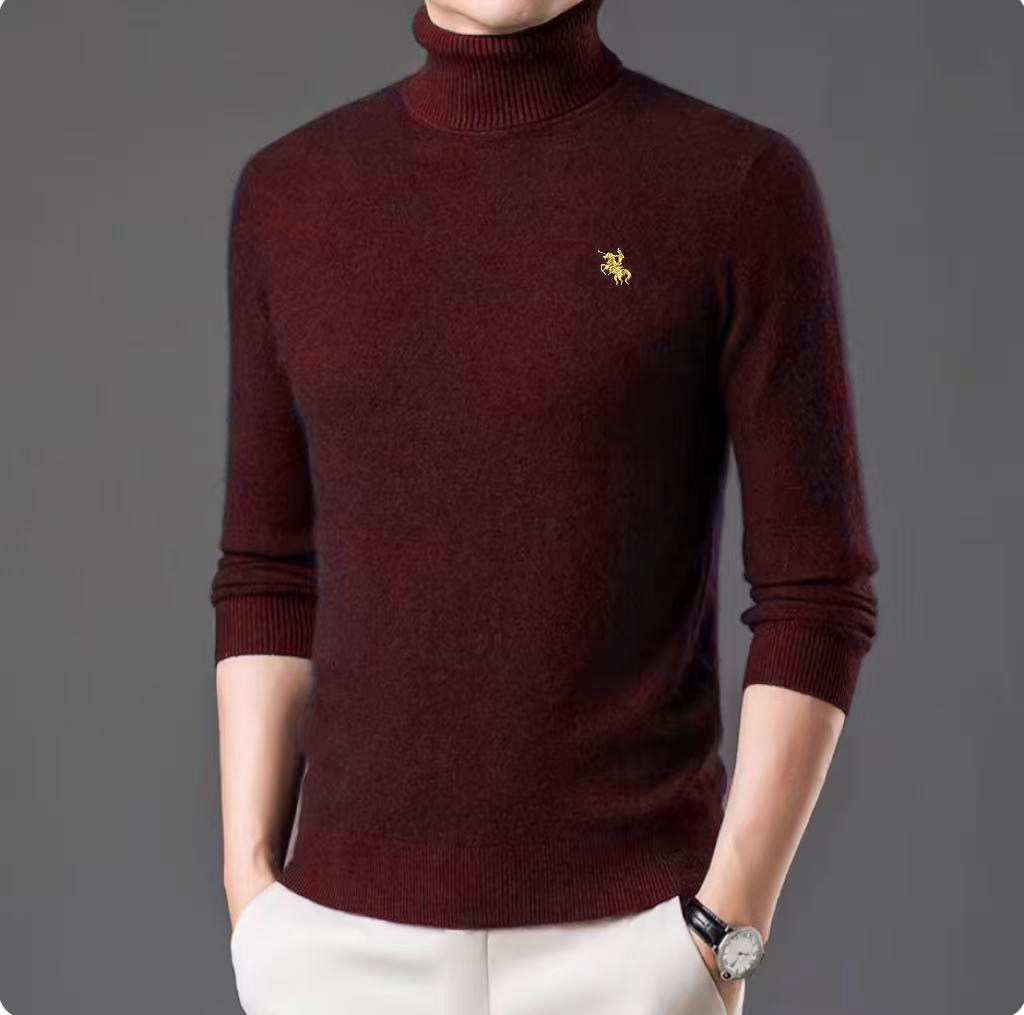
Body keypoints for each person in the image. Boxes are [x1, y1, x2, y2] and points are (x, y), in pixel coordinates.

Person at [210, 1, 880, 1012]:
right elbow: (268, 571)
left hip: (633, 948)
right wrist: (250, 887)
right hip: (332, 945)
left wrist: (724, 928)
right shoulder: (290, 194)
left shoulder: (736, 185)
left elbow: (816, 591)